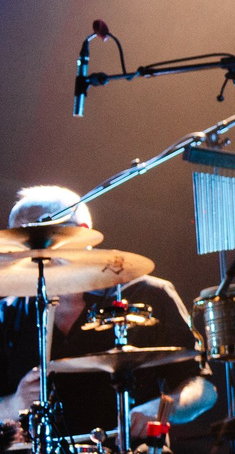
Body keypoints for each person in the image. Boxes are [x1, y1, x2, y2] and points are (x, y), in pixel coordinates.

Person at [0, 185, 214, 440]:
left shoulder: (147, 294)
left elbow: (204, 389)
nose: (32, 253)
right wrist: (12, 404)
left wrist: (160, 408)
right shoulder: (8, 313)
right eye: (22, 244)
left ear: (82, 234)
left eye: (42, 241)